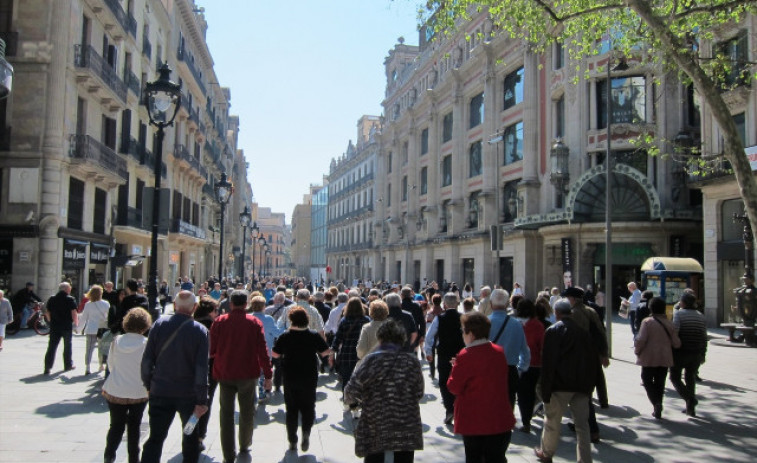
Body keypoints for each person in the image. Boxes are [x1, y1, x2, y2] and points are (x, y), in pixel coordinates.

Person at [140, 290, 209, 463]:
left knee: (155, 437)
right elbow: (202, 369)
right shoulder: (200, 331)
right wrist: (202, 400)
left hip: (160, 391)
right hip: (189, 396)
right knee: (190, 436)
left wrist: (148, 385)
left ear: (175, 305)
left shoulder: (159, 325)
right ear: (194, 307)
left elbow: (147, 360)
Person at [344, 319, 424, 462]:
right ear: (402, 339)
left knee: (374, 455)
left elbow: (351, 391)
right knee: (404, 456)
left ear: (380, 338)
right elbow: (419, 392)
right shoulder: (412, 361)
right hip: (406, 420)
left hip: (375, 419)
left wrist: (359, 402)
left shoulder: (370, 361)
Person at [209, 290, 272, 463]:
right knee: (247, 411)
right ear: (246, 304)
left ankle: (228, 454)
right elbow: (262, 350)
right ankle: (244, 443)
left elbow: (212, 350)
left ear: (230, 304)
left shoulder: (219, 322)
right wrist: (268, 375)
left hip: (225, 372)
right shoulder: (254, 323)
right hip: (248, 373)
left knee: (226, 414)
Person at [534, 299, 597, 463]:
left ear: (557, 313)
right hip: (581, 385)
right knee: (582, 426)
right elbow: (592, 360)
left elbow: (549, 361)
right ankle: (585, 459)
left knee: (552, 421)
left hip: (560, 384)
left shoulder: (553, 331)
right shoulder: (583, 332)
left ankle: (546, 453)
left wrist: (545, 387)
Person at [447, 312, 515, 463]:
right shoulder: (498, 351)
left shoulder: (465, 355)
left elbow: (454, 387)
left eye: (463, 331)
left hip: (475, 420)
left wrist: (455, 367)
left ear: (470, 334)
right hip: (499, 418)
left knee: (474, 457)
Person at [272, 307, 330, 452]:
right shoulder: (313, 335)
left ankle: (292, 439)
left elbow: (274, 354)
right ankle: (306, 433)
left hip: (290, 376)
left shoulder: (285, 336)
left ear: (291, 320)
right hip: (309, 376)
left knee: (291, 409)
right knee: (308, 407)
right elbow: (325, 352)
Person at [102, 307, 151, 463]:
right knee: (134, 426)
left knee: (116, 425)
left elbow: (110, 365)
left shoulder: (117, 341)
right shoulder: (147, 343)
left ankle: (109, 454)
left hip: (116, 389)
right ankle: (133, 458)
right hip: (139, 390)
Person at [634, 296, 681, 419]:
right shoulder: (669, 323)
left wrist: (637, 350)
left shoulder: (647, 322)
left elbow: (641, 339)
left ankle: (656, 403)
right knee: (660, 383)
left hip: (649, 358)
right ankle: (658, 403)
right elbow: (676, 343)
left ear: (651, 308)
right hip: (665, 358)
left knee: (647, 379)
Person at [425, 292, 466, 425]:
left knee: (444, 381)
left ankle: (449, 408)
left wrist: (428, 351)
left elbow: (429, 336)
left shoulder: (439, 318)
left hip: (443, 354)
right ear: (457, 304)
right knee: (461, 381)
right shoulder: (463, 318)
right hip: (460, 355)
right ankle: (459, 408)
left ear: (445, 304)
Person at [488, 288, 530, 410]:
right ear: (507, 304)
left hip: (489, 371)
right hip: (510, 371)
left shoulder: (485, 322)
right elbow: (525, 352)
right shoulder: (517, 324)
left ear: (491, 304)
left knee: (489, 406)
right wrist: (520, 369)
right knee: (508, 406)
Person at [670, 292, 707, 417]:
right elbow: (704, 337)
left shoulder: (679, 314)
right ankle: (690, 408)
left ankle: (689, 399)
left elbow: (675, 331)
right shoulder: (701, 316)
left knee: (674, 377)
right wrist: (703, 353)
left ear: (684, 303)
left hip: (681, 351)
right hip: (696, 352)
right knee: (690, 378)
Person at [192, 296, 219, 451]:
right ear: (210, 311)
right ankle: (199, 437)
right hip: (209, 369)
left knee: (191, 404)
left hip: (190, 369)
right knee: (205, 403)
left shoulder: (191, 324)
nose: (217, 313)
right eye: (215, 310)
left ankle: (189, 432)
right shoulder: (213, 326)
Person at [516, 299, 545, 433]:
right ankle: (529, 414)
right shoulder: (538, 325)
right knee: (531, 391)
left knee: (522, 394)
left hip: (520, 364)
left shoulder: (516, 324)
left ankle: (526, 421)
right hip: (536, 364)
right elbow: (542, 346)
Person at [330, 297, 370, 393]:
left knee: (347, 379)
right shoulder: (366, 320)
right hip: (362, 354)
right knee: (361, 379)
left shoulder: (344, 320)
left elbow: (338, 338)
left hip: (347, 354)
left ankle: (347, 400)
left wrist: (332, 351)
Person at [250, 294, 281, 400]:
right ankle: (262, 392)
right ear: (263, 306)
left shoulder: (249, 317)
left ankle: (253, 394)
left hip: (250, 351)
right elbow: (277, 333)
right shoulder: (268, 319)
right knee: (263, 372)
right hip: (266, 349)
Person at [44, 282, 79, 375]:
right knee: (67, 346)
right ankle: (68, 365)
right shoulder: (70, 299)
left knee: (52, 346)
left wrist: (50, 321)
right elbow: (74, 313)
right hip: (66, 326)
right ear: (66, 289)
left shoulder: (52, 298)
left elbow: (47, 312)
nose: (70, 289)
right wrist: (76, 324)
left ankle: (47, 367)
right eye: (69, 288)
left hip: (55, 326)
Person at [78, 285, 110, 375]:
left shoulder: (88, 305)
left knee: (89, 349)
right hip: (102, 328)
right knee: (101, 347)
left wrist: (79, 328)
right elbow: (108, 316)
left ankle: (87, 367)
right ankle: (101, 365)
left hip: (91, 329)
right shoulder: (106, 303)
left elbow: (84, 318)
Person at [401, 286, 426, 355]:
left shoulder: (400, 305)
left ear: (402, 295)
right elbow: (422, 322)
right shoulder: (416, 306)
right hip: (414, 333)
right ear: (411, 295)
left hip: (401, 334)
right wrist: (422, 334)